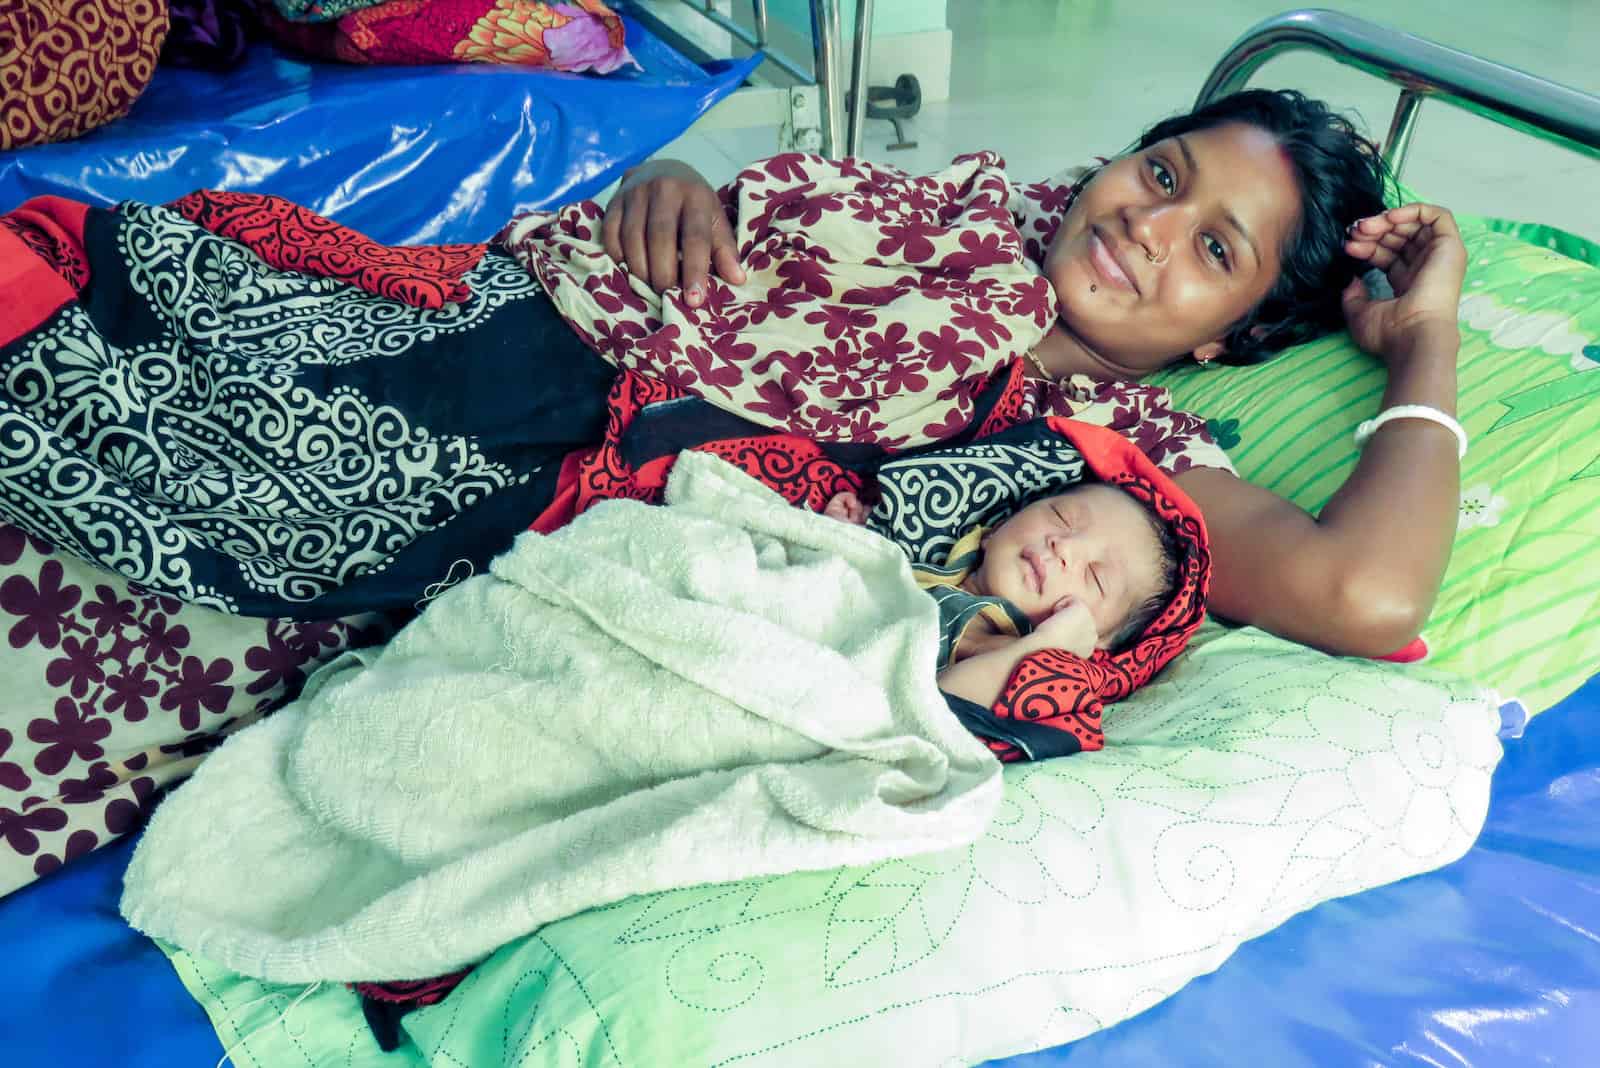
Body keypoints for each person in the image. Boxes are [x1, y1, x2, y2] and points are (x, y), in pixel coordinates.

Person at [0, 89, 1465, 653]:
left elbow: (1370, 592)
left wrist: (1430, 342)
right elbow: (724, 219)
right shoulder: (954, 212)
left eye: (1213, 249)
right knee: (196, 295)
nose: (1145, 225)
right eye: (1162, 171)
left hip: (566, 466)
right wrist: (685, 176)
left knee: (242, 474)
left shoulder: (1113, 443)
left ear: (1228, 339)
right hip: (507, 317)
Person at [824, 477, 1183, 710]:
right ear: (998, 527)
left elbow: (941, 704)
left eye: (1095, 576)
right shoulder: (933, 563)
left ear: (1094, 637)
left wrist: (1042, 647)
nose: (1065, 547)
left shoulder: (1000, 651)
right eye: (1062, 517)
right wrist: (846, 535)